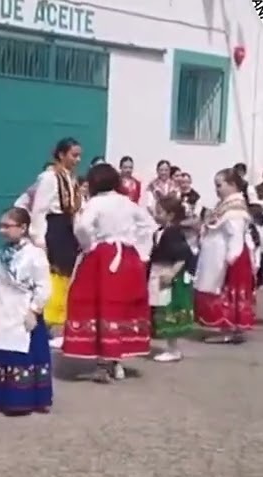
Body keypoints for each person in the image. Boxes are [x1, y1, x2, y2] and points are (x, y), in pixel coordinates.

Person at [61, 163, 154, 381]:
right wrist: (141, 252)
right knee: (120, 307)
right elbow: (148, 226)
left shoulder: (95, 203)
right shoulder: (127, 202)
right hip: (127, 259)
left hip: (102, 258)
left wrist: (90, 245)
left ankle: (104, 362)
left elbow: (82, 227)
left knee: (98, 306)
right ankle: (116, 360)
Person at [0, 206, 52, 415]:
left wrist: (34, 309)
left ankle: (22, 400)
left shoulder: (35, 255)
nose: (2, 230)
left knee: (23, 351)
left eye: (7, 226)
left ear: (23, 227)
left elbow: (44, 286)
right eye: (0, 226)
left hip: (23, 310)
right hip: (1, 309)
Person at [28, 138, 84, 348]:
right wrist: (38, 238)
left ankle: (60, 323)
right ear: (61, 155)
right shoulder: (49, 177)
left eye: (79, 156)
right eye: (74, 155)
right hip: (55, 228)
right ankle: (51, 325)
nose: (78, 160)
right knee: (54, 275)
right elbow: (39, 210)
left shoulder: (71, 178)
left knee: (67, 276)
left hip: (68, 228)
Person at [192, 169, 256, 344]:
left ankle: (228, 329)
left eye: (219, 185)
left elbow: (236, 235)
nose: (216, 189)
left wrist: (231, 258)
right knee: (222, 291)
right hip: (221, 255)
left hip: (228, 258)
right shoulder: (225, 205)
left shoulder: (235, 209)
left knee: (225, 292)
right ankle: (230, 330)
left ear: (232, 185)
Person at [147, 196, 195, 362]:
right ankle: (169, 346)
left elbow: (182, 255)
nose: (156, 214)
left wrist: (172, 273)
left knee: (170, 309)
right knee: (161, 308)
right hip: (159, 271)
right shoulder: (160, 231)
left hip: (169, 274)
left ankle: (173, 349)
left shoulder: (173, 233)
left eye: (159, 212)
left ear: (171, 215)